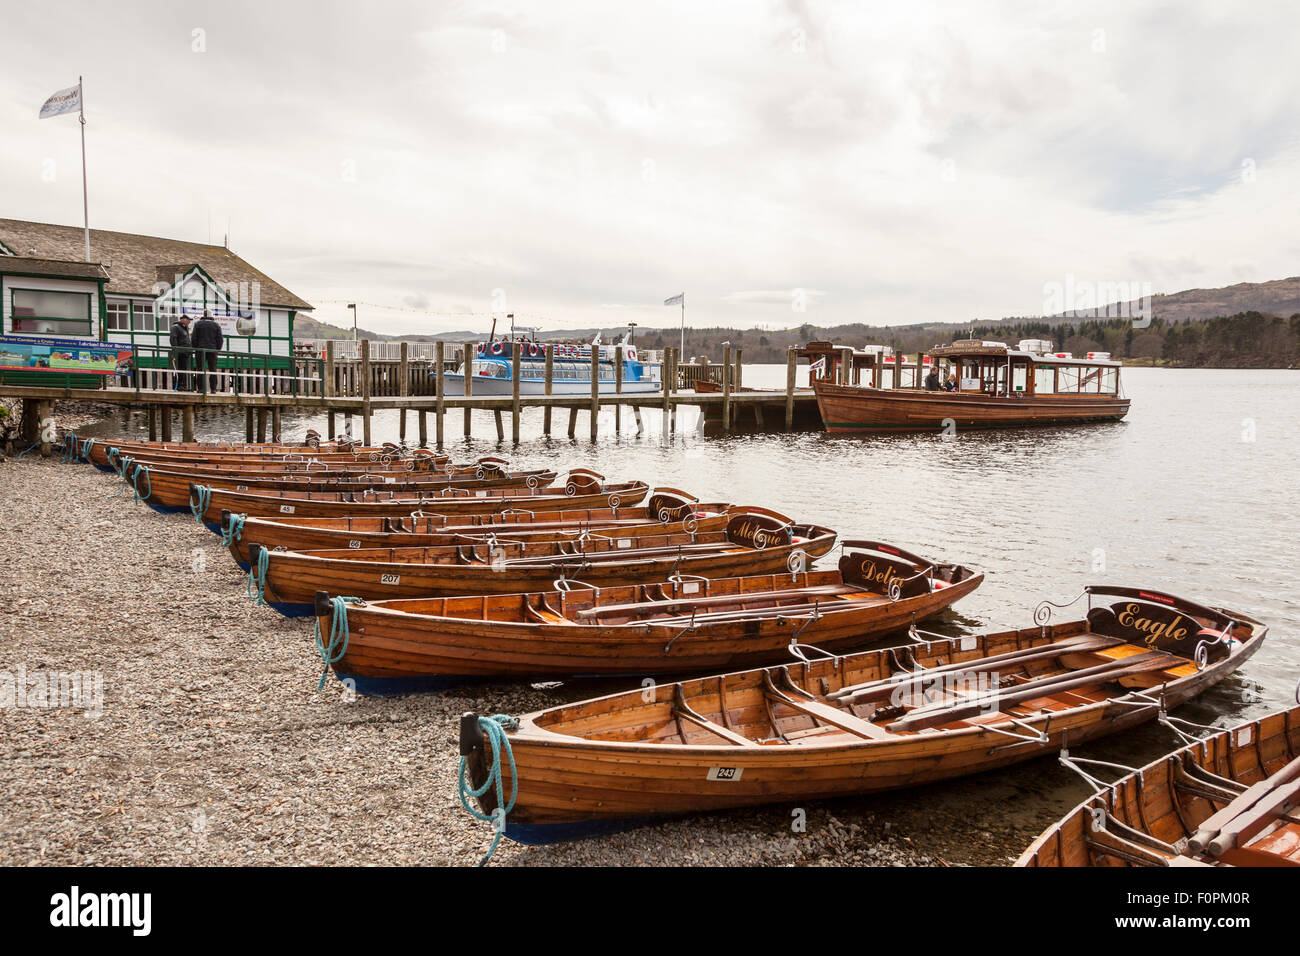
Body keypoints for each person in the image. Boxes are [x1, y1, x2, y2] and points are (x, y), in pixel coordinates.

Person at [190, 309, 224, 392]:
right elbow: (220, 339)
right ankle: (213, 389)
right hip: (212, 350)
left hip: (200, 350)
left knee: (200, 369)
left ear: (203, 315)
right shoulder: (216, 325)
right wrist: (217, 349)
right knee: (213, 369)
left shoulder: (198, 324)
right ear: (211, 316)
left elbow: (194, 338)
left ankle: (201, 388)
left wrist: (195, 348)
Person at [169, 314, 193, 390]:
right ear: (183, 319)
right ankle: (180, 386)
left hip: (185, 353)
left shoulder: (184, 328)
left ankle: (183, 385)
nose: (189, 322)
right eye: (188, 320)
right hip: (180, 353)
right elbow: (173, 339)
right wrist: (176, 350)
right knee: (180, 369)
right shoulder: (176, 327)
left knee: (183, 369)